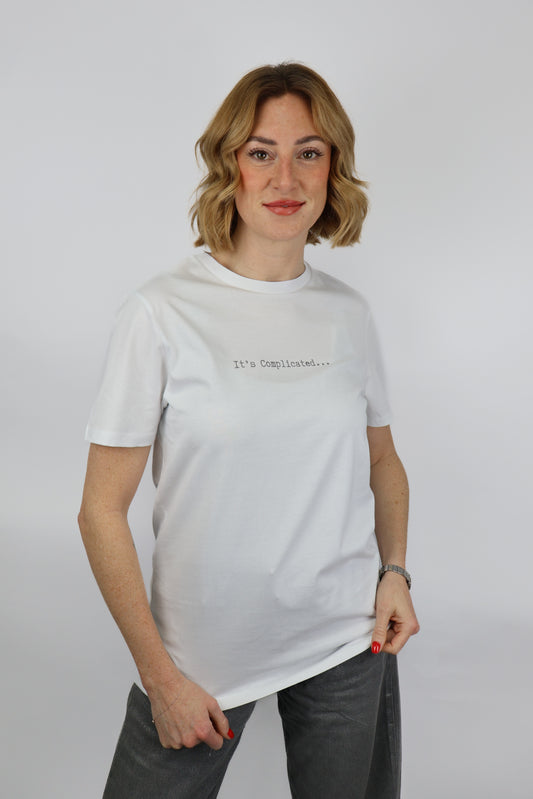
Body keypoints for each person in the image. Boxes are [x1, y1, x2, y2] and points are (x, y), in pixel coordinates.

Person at [78, 62, 419, 799]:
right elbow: (100, 509)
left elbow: (383, 461)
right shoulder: (160, 312)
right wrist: (160, 677)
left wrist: (394, 572)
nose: (284, 177)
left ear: (332, 169)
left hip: (346, 643)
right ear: (228, 165)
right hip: (198, 662)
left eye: (308, 152)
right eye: (261, 152)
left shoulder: (348, 313)